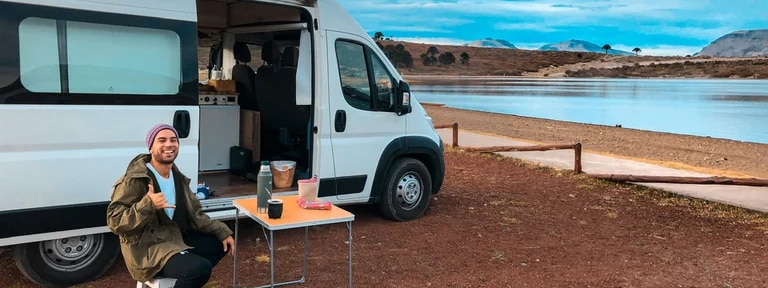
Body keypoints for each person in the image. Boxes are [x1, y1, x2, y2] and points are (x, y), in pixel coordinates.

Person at [107, 124, 236, 288]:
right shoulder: (135, 179)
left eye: (173, 140)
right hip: (148, 248)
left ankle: (179, 276)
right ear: (151, 147)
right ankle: (177, 272)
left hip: (174, 239)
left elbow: (196, 215)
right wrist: (148, 205)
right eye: (162, 140)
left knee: (220, 244)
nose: (169, 144)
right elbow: (114, 221)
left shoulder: (178, 177)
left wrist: (221, 231)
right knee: (199, 269)